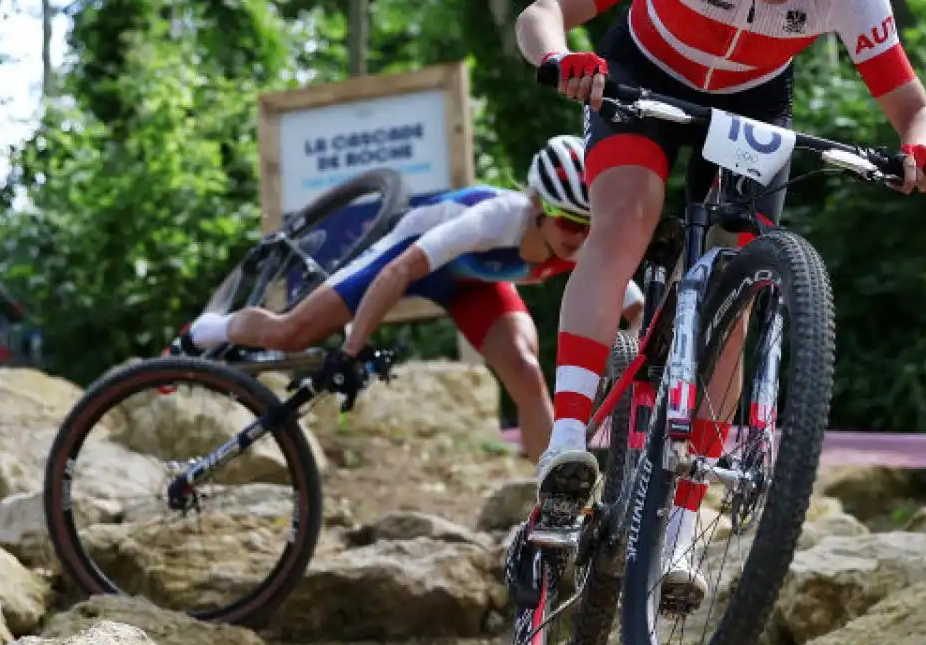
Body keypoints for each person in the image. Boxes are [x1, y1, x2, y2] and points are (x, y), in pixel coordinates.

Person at [513, 0, 926, 607]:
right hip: (639, 80)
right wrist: (561, 58)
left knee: (738, 288)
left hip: (754, 106)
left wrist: (924, 149)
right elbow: (544, 12)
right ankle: (570, 440)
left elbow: (916, 111)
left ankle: (682, 526)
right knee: (628, 217)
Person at [175, 134, 643, 461]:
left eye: (588, 226)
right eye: (567, 222)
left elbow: (634, 308)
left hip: (471, 285)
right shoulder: (494, 218)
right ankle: (206, 330)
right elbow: (400, 271)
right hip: (407, 262)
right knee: (292, 332)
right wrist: (351, 349)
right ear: (538, 206)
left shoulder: (583, 241)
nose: (578, 237)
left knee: (524, 366)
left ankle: (550, 497)